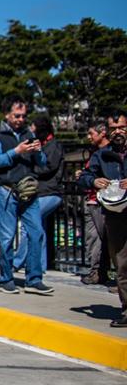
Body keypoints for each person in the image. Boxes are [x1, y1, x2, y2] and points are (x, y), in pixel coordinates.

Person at [0, 98, 52, 295]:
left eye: (23, 116)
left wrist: (38, 151)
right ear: (7, 114)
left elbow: (42, 162)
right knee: (7, 238)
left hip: (28, 190)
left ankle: (34, 279)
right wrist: (16, 151)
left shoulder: (28, 134)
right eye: (17, 115)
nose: (20, 119)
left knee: (37, 232)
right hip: (6, 190)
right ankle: (6, 278)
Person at [77, 110, 127, 326]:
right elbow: (85, 176)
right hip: (115, 215)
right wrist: (93, 181)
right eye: (113, 129)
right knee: (122, 265)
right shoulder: (101, 154)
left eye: (122, 127)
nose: (118, 132)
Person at [12, 114, 64, 275]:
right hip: (40, 193)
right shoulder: (41, 145)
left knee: (29, 225)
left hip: (49, 192)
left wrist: (30, 170)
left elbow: (48, 167)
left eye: (33, 128)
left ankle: (17, 262)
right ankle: (39, 266)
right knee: (38, 228)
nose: (31, 131)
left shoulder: (53, 146)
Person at [80, 122, 110, 286]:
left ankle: (107, 274)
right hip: (93, 199)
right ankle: (97, 272)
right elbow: (88, 176)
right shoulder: (95, 154)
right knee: (94, 239)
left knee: (107, 239)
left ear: (103, 132)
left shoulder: (109, 153)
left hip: (102, 201)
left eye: (91, 133)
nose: (89, 137)